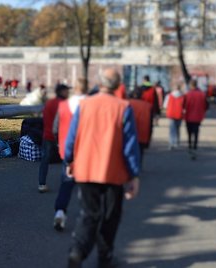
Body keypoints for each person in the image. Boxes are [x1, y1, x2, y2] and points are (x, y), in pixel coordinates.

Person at [64, 68, 141, 267]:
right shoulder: (123, 107)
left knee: (89, 214)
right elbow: (130, 145)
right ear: (117, 85)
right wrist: (133, 175)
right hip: (112, 171)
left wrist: (70, 161)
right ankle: (105, 258)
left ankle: (77, 250)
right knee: (110, 217)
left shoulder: (84, 105)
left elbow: (71, 139)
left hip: (86, 169)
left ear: (99, 83)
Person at [51, 78, 87, 231]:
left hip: (68, 149)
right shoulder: (90, 105)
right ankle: (86, 215)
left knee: (66, 183)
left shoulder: (64, 105)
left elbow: (55, 128)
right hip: (86, 150)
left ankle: (60, 211)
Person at [37, 83, 70, 193]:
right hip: (61, 136)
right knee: (66, 160)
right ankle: (66, 182)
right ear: (61, 92)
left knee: (45, 159)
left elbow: (44, 118)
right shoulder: (65, 104)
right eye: (66, 91)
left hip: (47, 134)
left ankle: (42, 183)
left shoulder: (49, 103)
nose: (68, 93)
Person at [184, 79, 209, 159]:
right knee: (196, 132)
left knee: (189, 132)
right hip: (198, 116)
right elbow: (206, 106)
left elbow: (183, 105)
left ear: (191, 85)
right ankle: (195, 146)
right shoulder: (202, 94)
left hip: (189, 116)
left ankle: (190, 145)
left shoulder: (188, 94)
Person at [128, 88, 153, 159]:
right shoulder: (148, 106)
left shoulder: (126, 103)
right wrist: (148, 140)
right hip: (142, 135)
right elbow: (150, 125)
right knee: (139, 154)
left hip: (128, 133)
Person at [164, 83, 185, 150]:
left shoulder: (169, 96)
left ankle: (171, 143)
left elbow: (165, 105)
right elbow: (184, 106)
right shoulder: (183, 96)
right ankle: (176, 143)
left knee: (171, 130)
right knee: (177, 129)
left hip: (171, 114)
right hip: (179, 114)